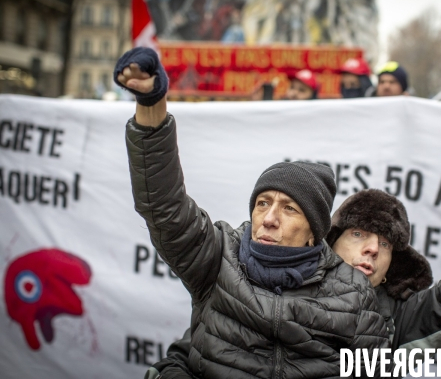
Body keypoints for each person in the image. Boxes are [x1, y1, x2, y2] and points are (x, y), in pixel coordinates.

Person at [113, 47, 389, 379]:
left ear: (314, 232)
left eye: (289, 209)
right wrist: (151, 105)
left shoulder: (354, 295)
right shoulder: (217, 257)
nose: (269, 218)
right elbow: (163, 205)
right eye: (262, 203)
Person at [146, 128, 441, 378]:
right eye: (359, 233)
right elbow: (190, 353)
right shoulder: (243, 276)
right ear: (326, 241)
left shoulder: (394, 317)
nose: (371, 249)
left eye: (386, 245)